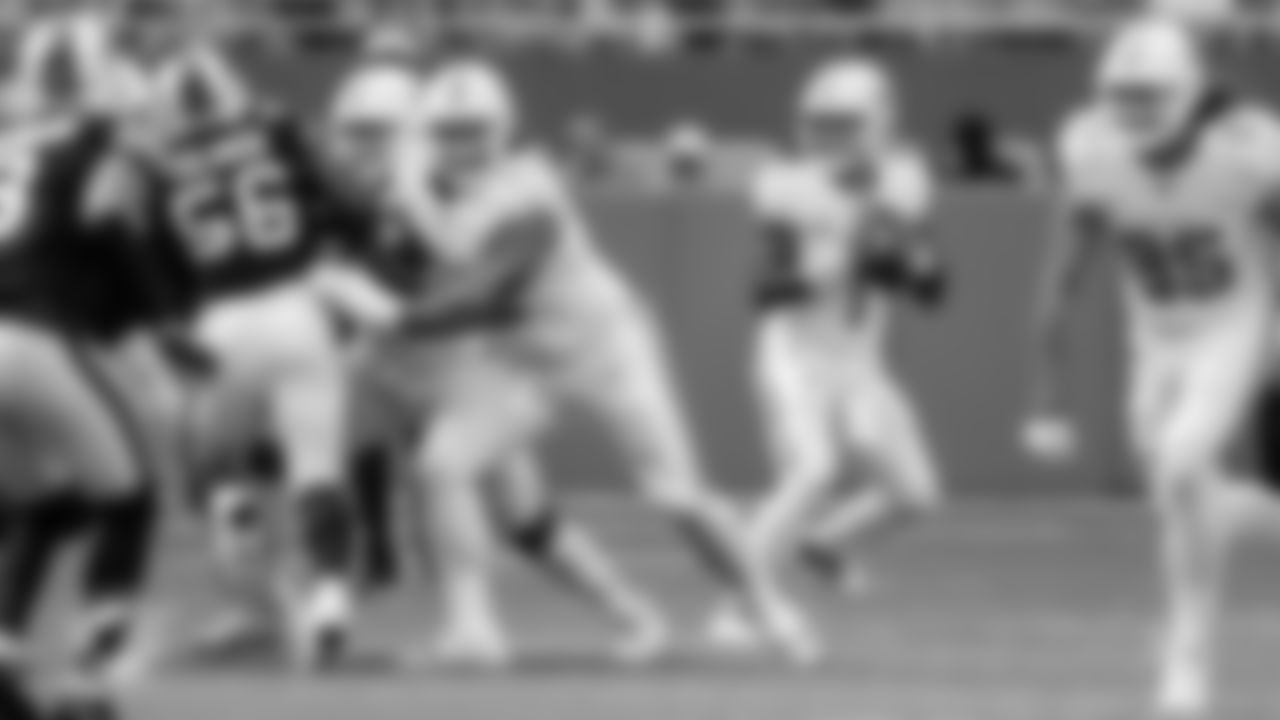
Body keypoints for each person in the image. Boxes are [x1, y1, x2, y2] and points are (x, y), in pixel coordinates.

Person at [390, 58, 815, 665]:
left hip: (603, 346)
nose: (462, 147)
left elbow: (483, 292)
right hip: (518, 356)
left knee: (679, 496)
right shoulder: (432, 188)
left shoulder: (526, 192)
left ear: (503, 128)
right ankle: (472, 631)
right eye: (449, 133)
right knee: (443, 465)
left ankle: (769, 608)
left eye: (474, 131)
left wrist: (394, 317)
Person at [1024, 16, 1280, 718]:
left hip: (1235, 324)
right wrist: (1045, 392)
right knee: (1180, 496)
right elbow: (1062, 276)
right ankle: (1237, 523)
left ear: (1194, 92)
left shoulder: (1248, 152)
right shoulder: (1091, 150)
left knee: (1178, 463)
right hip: (1154, 337)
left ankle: (1186, 658)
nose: (1135, 110)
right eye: (1124, 94)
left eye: (1151, 94)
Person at [139, 42, 400, 670]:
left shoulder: (154, 165)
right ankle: (330, 602)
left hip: (218, 322)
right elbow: (353, 211)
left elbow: (157, 267)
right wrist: (342, 244)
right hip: (296, 309)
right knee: (316, 470)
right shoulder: (276, 130)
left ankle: (260, 593)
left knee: (215, 475)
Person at [707, 55, 946, 652]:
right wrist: (837, 266)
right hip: (795, 353)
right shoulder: (787, 187)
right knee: (813, 469)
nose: (831, 137)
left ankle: (823, 545)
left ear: (881, 124)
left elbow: (931, 288)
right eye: (822, 124)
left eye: (846, 124)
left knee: (916, 494)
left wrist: (914, 267)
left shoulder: (905, 181)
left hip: (859, 361)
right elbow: (763, 290)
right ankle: (737, 606)